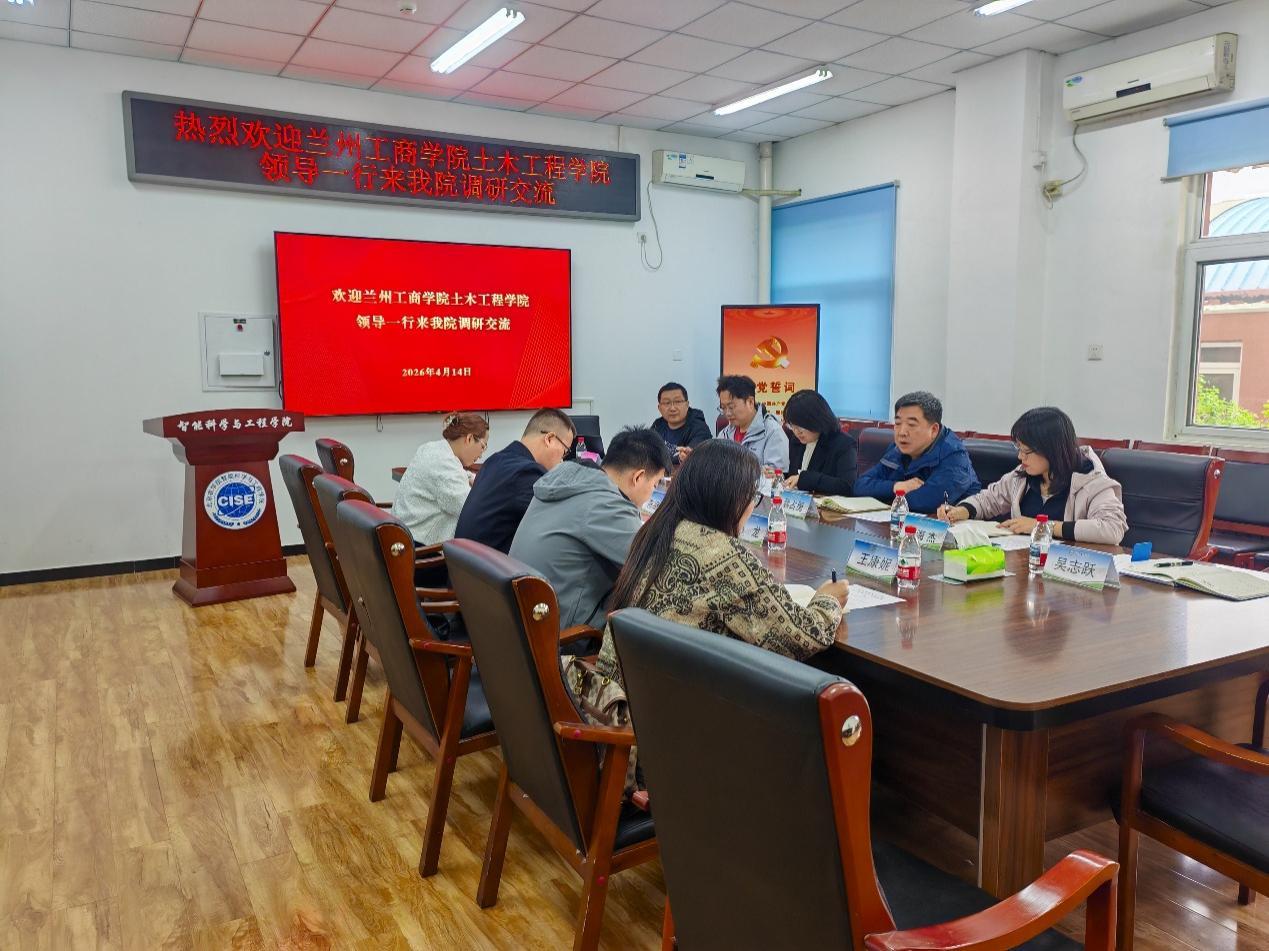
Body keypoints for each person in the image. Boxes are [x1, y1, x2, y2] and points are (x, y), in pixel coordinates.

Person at [562, 439, 849, 793]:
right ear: (732, 498)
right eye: (752, 497)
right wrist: (828, 600)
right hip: (669, 751)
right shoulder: (722, 554)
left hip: (615, 724)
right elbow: (804, 636)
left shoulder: (655, 532)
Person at [510, 427, 671, 629]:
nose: (652, 494)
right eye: (655, 485)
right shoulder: (606, 504)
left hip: (523, 618)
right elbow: (656, 564)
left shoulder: (565, 479)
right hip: (561, 632)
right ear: (638, 477)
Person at [937, 406, 1128, 544]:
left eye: (1027, 451)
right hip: (1025, 565)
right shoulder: (1022, 477)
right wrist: (961, 510)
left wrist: (1041, 527)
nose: (1020, 457)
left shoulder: (1092, 481)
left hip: (1068, 571)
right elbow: (988, 500)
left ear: (1051, 450)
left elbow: (1112, 529)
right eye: (1019, 449)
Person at [453, 408, 575, 553]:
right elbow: (560, 525)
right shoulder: (527, 473)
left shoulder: (494, 460)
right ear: (549, 439)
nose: (562, 460)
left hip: (465, 563)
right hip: (491, 566)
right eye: (565, 451)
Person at [854, 391, 979, 513]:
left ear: (934, 430)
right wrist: (896, 486)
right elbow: (860, 486)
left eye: (911, 425)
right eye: (898, 423)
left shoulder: (955, 456)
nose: (902, 432)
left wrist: (882, 493)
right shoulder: (897, 450)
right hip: (900, 521)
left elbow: (927, 502)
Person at [391, 413, 488, 546]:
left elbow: (453, 474)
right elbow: (471, 509)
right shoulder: (445, 464)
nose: (481, 455)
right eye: (483, 446)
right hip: (419, 549)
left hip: (401, 538)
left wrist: (471, 477)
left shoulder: (432, 448)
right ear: (469, 438)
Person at [782, 390, 858, 495]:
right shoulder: (797, 441)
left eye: (801, 426)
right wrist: (780, 476)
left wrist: (805, 478)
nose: (797, 432)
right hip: (799, 503)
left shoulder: (843, 444)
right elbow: (796, 475)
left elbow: (847, 486)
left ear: (817, 419)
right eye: (792, 426)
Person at [713, 374, 789, 470]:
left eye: (731, 407)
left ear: (750, 402)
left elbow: (775, 474)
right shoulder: (725, 434)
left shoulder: (773, 432)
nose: (727, 413)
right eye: (723, 408)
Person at [649, 382, 711, 466]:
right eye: (667, 403)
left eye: (677, 402)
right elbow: (646, 451)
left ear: (687, 405)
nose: (672, 408)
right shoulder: (658, 425)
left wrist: (683, 457)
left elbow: (692, 456)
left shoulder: (700, 428)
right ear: (659, 408)